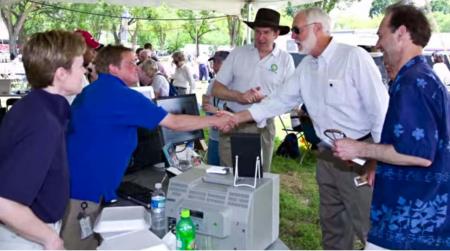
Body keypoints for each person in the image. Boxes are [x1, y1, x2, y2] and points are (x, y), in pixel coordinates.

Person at [229, 7, 389, 249]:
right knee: (332, 223)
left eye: (296, 30)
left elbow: (380, 111)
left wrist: (376, 159)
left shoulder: (353, 57)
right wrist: (237, 117)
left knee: (367, 224)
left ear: (317, 28)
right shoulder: (306, 67)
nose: (292, 36)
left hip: (360, 154)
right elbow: (279, 100)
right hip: (327, 155)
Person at [61, 45, 233, 249]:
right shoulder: (122, 96)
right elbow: (175, 123)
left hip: (75, 182)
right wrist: (214, 121)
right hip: (85, 191)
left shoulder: (92, 91)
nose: (137, 67)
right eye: (131, 63)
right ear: (113, 68)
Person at [333, 4, 450, 249]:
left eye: (380, 34)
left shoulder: (414, 83)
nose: (377, 44)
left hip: (407, 224)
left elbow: (417, 154)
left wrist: (359, 149)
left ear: (401, 33)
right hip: (417, 219)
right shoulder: (421, 77)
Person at [0, 30, 86, 249]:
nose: (84, 71)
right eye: (79, 66)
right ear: (61, 74)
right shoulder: (42, 121)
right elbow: (5, 203)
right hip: (25, 235)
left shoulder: (33, 107)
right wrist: (50, 239)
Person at [212, 8, 295, 172]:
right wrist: (239, 96)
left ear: (276, 34)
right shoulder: (238, 53)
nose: (261, 37)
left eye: (266, 32)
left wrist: (263, 99)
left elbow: (290, 99)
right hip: (232, 122)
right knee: (228, 174)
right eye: (257, 32)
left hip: (262, 126)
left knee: (259, 177)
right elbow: (216, 89)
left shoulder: (285, 60)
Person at [202, 50, 230, 165]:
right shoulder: (213, 82)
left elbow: (238, 113)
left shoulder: (235, 84)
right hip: (214, 136)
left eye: (217, 62)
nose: (214, 66)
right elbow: (207, 101)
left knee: (227, 170)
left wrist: (216, 110)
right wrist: (206, 105)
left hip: (228, 137)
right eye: (213, 62)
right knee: (212, 168)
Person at [65, 29, 102, 104]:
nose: (94, 54)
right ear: (81, 49)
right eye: (92, 49)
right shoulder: (73, 75)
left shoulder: (79, 73)